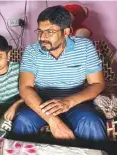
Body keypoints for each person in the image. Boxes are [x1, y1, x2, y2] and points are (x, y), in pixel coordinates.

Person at [12, 5, 107, 141]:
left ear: (66, 32)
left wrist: (67, 102)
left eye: (49, 31)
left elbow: (97, 83)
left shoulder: (85, 47)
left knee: (91, 122)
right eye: (40, 31)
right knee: (23, 120)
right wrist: (52, 120)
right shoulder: (31, 51)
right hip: (42, 102)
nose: (42, 37)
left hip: (75, 102)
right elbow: (25, 87)